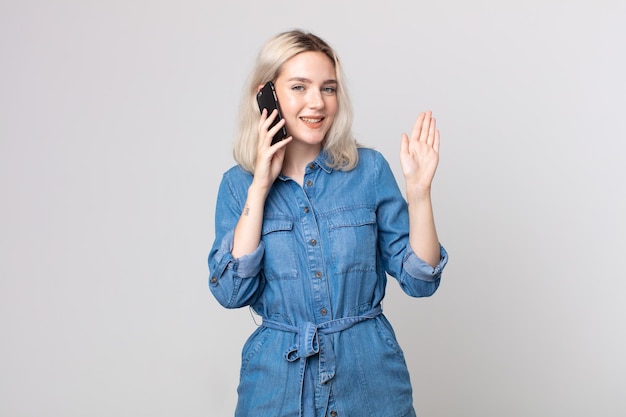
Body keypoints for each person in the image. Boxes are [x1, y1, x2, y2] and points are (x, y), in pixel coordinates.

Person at [208, 29, 448, 417]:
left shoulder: (368, 171)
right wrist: (260, 187)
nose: (317, 103)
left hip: (370, 380)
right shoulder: (238, 186)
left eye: (329, 88)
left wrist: (419, 194)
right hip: (276, 385)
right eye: (299, 87)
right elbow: (232, 292)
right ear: (265, 95)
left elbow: (421, 281)